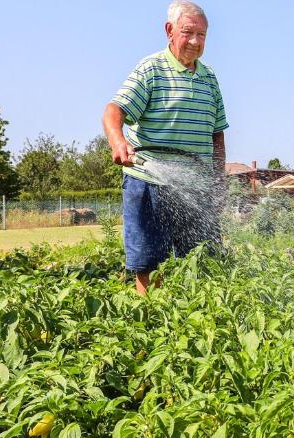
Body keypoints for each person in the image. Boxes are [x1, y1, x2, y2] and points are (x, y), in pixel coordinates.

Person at [102, 0, 228, 295]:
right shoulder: (151, 69)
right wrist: (117, 142)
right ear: (169, 30)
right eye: (188, 33)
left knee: (203, 259)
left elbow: (217, 135)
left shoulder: (209, 79)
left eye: (202, 35)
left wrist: (218, 182)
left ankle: (198, 317)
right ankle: (150, 318)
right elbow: (113, 110)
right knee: (149, 261)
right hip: (149, 179)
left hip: (195, 183)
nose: (195, 42)